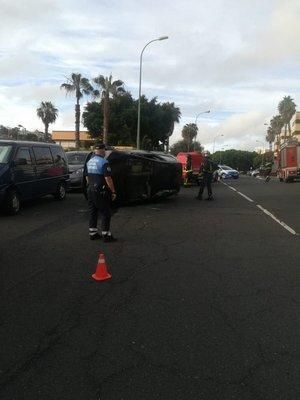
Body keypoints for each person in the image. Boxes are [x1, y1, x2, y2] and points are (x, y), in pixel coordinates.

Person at [86, 142, 117, 242]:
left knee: (93, 211)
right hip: (100, 191)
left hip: (90, 189)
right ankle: (106, 235)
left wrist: (91, 185)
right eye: (105, 150)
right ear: (103, 150)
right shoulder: (104, 162)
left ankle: (93, 233)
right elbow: (108, 178)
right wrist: (113, 191)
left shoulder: (90, 161)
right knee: (106, 212)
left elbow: (87, 177)